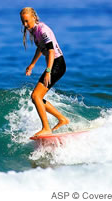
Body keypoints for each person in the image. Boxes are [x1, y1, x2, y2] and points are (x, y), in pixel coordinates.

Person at [20, 7, 70, 137]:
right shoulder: (34, 31)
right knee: (36, 97)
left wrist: (48, 71)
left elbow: (51, 51)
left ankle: (46, 128)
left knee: (36, 96)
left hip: (57, 64)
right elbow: (40, 49)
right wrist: (32, 64)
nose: (25, 25)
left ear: (34, 18)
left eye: (27, 21)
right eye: (23, 22)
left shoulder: (43, 30)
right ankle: (62, 119)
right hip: (54, 65)